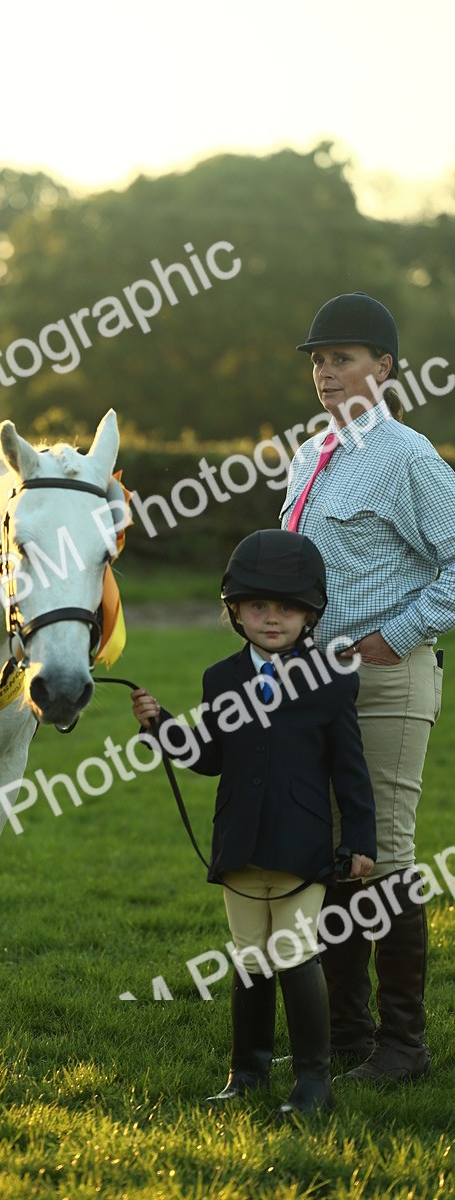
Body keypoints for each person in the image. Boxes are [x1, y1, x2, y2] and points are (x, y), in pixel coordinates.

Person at [131, 530, 376, 1118]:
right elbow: (211, 758)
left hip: (302, 845)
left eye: (287, 608)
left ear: (309, 615)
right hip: (239, 843)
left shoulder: (331, 679)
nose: (273, 619)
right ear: (235, 611)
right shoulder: (221, 679)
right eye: (259, 606)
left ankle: (314, 1081)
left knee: (294, 952)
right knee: (249, 957)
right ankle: (247, 1072)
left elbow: (351, 769)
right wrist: (161, 725)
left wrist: (361, 842)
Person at [284, 291, 455, 1083]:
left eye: (342, 358)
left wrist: (397, 636)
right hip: (313, 687)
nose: (326, 371)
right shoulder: (309, 455)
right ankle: (349, 1038)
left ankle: (404, 1048)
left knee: (382, 856)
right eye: (319, 359)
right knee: (332, 857)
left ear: (383, 369)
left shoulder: (410, 456)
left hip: (387, 682)